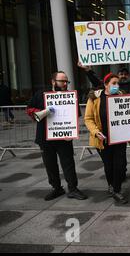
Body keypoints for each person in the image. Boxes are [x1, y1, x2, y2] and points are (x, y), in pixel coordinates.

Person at [78, 61, 130, 180]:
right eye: (121, 74)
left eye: (125, 74)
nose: (122, 76)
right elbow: (88, 118)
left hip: (125, 131)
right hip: (106, 136)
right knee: (111, 163)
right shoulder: (97, 96)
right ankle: (118, 178)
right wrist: (88, 71)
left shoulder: (128, 89)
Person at [26, 71, 87, 201]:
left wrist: (71, 131)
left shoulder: (70, 96)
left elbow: (75, 116)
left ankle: (73, 189)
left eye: (67, 81)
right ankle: (56, 188)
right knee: (50, 164)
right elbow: (29, 109)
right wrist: (41, 112)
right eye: (62, 81)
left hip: (64, 137)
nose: (65, 84)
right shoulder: (41, 94)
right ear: (53, 82)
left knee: (68, 163)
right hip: (45, 137)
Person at [84, 73, 128, 204]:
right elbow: (88, 118)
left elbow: (128, 113)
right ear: (106, 84)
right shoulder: (95, 98)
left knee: (119, 165)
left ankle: (116, 190)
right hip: (102, 139)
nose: (116, 86)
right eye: (114, 83)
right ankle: (112, 186)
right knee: (108, 165)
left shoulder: (121, 96)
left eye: (118, 83)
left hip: (119, 138)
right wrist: (95, 132)